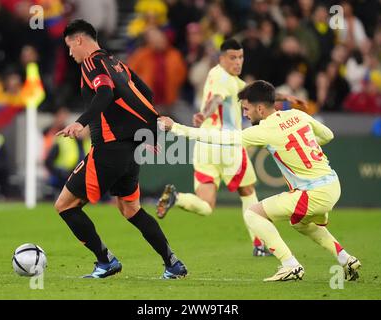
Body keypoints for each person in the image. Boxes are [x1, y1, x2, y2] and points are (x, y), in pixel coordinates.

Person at [158, 80, 361, 282]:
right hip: (332, 184)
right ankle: (346, 259)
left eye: (246, 109)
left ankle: (290, 265)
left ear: (260, 108)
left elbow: (219, 139)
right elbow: (328, 135)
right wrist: (305, 147)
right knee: (300, 224)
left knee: (252, 214)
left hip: (313, 192)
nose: (245, 114)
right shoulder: (297, 114)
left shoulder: (263, 130)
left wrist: (175, 127)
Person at [56, 19, 187, 279]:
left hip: (108, 149)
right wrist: (147, 135)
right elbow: (146, 93)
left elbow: (104, 94)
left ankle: (105, 261)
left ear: (80, 40)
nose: (71, 54)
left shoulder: (92, 63)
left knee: (65, 206)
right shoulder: (116, 63)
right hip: (129, 149)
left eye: (70, 47)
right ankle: (173, 264)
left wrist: (80, 122)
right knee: (131, 209)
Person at [157, 39, 305, 257]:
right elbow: (217, 98)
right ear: (221, 59)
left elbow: (250, 92)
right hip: (226, 145)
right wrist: (204, 114)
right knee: (247, 192)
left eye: (241, 57)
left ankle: (177, 198)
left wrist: (285, 97)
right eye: (233, 57)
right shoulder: (223, 79)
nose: (238, 62)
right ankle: (259, 244)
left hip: (204, 146)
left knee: (206, 206)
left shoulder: (224, 78)